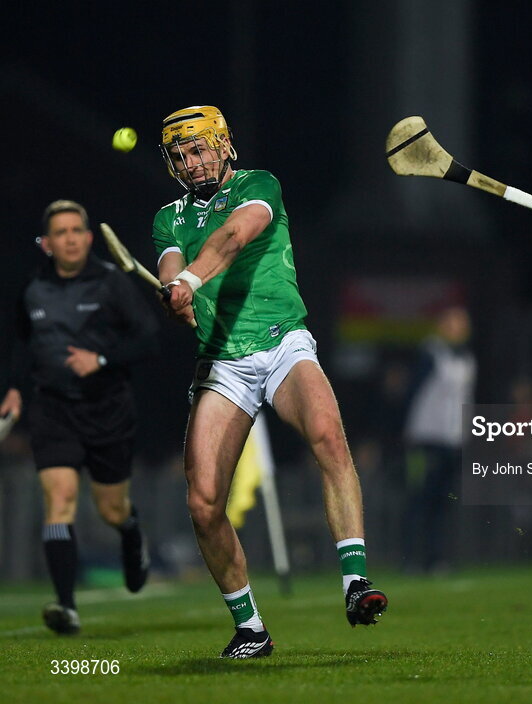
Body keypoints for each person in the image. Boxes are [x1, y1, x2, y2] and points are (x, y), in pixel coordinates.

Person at [152, 105, 387, 659]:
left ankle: (355, 582)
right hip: (222, 362)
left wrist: (190, 277)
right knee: (204, 503)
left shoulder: (260, 185)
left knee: (328, 435)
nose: (193, 161)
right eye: (182, 154)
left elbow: (235, 235)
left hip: (282, 342)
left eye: (201, 147)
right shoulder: (170, 217)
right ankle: (250, 627)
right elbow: (169, 264)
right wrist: (174, 292)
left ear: (224, 145)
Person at [0, 200, 157, 635]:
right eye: (60, 232)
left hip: (107, 409)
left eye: (76, 231)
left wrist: (103, 359)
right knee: (60, 499)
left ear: (89, 239)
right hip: (53, 410)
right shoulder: (32, 288)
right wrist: (14, 388)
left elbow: (148, 339)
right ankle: (66, 606)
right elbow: (21, 342)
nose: (69, 239)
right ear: (46, 243)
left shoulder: (111, 284)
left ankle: (130, 534)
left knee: (111, 509)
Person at [402, 306, 476, 573]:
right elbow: (412, 393)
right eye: (455, 322)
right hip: (426, 438)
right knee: (419, 499)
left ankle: (436, 558)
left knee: (442, 503)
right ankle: (409, 558)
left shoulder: (466, 358)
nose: (460, 328)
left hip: (453, 440)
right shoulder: (430, 354)